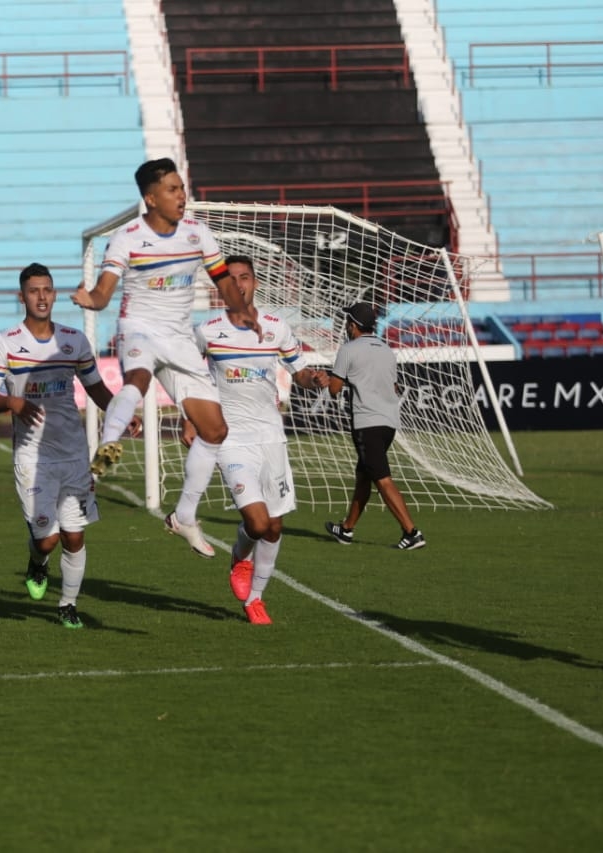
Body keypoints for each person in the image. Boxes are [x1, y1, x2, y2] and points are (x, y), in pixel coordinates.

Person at [71, 157, 261, 559]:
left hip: (179, 339)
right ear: (150, 198)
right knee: (137, 380)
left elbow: (222, 279)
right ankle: (108, 445)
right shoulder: (127, 238)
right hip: (138, 328)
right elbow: (105, 291)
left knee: (214, 431)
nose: (182, 195)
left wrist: (241, 309)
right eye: (172, 189)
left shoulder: (198, 233)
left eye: (181, 188)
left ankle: (184, 516)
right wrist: (92, 298)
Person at [0, 263, 138, 629]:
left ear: (53, 294)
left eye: (47, 290)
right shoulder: (7, 342)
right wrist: (13, 403)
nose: (41, 297)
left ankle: (67, 604)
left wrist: (120, 411)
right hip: (33, 457)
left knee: (74, 535)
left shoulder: (73, 340)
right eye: (33, 290)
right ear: (22, 297)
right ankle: (37, 562)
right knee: (47, 540)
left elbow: (95, 387)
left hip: (73, 454)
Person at [192, 255, 328, 625]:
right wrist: (192, 418)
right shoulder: (207, 332)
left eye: (245, 277)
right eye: (230, 279)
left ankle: (255, 599)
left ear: (255, 283)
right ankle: (240, 556)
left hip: (272, 438)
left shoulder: (276, 327)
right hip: (231, 440)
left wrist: (311, 378)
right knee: (256, 522)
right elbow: (188, 378)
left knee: (275, 526)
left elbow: (298, 371)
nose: (238, 284)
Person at [323, 302, 426, 551]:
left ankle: (411, 532)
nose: (346, 326)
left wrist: (328, 379)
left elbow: (334, 390)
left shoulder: (349, 349)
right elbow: (393, 387)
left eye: (348, 322)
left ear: (354, 325)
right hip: (388, 423)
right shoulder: (386, 349)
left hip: (366, 422)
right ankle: (346, 529)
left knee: (382, 479)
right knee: (364, 476)